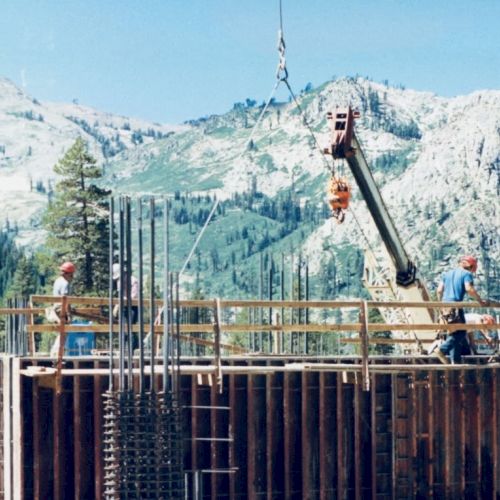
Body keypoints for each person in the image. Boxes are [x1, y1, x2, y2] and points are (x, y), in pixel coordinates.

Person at [434, 255, 488, 364]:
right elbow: (469, 289)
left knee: (453, 333)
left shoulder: (447, 274)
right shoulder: (466, 274)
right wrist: (480, 301)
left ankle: (455, 361)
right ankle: (442, 350)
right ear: (471, 266)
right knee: (461, 332)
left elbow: (439, 290)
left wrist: (441, 305)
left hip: (445, 307)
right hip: (455, 307)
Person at [49, 261, 76, 355]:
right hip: (61, 309)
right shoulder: (65, 283)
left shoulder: (58, 280)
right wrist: (68, 314)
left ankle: (56, 353)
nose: (72, 276)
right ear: (68, 273)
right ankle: (56, 354)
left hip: (55, 307)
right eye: (72, 274)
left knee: (62, 331)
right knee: (64, 331)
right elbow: (65, 299)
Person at [112, 263, 139, 350]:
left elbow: (134, 296)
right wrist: (117, 306)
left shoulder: (133, 281)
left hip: (132, 307)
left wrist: (120, 302)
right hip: (123, 306)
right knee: (122, 328)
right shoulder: (119, 281)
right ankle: (122, 350)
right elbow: (120, 295)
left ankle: (132, 350)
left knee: (130, 328)